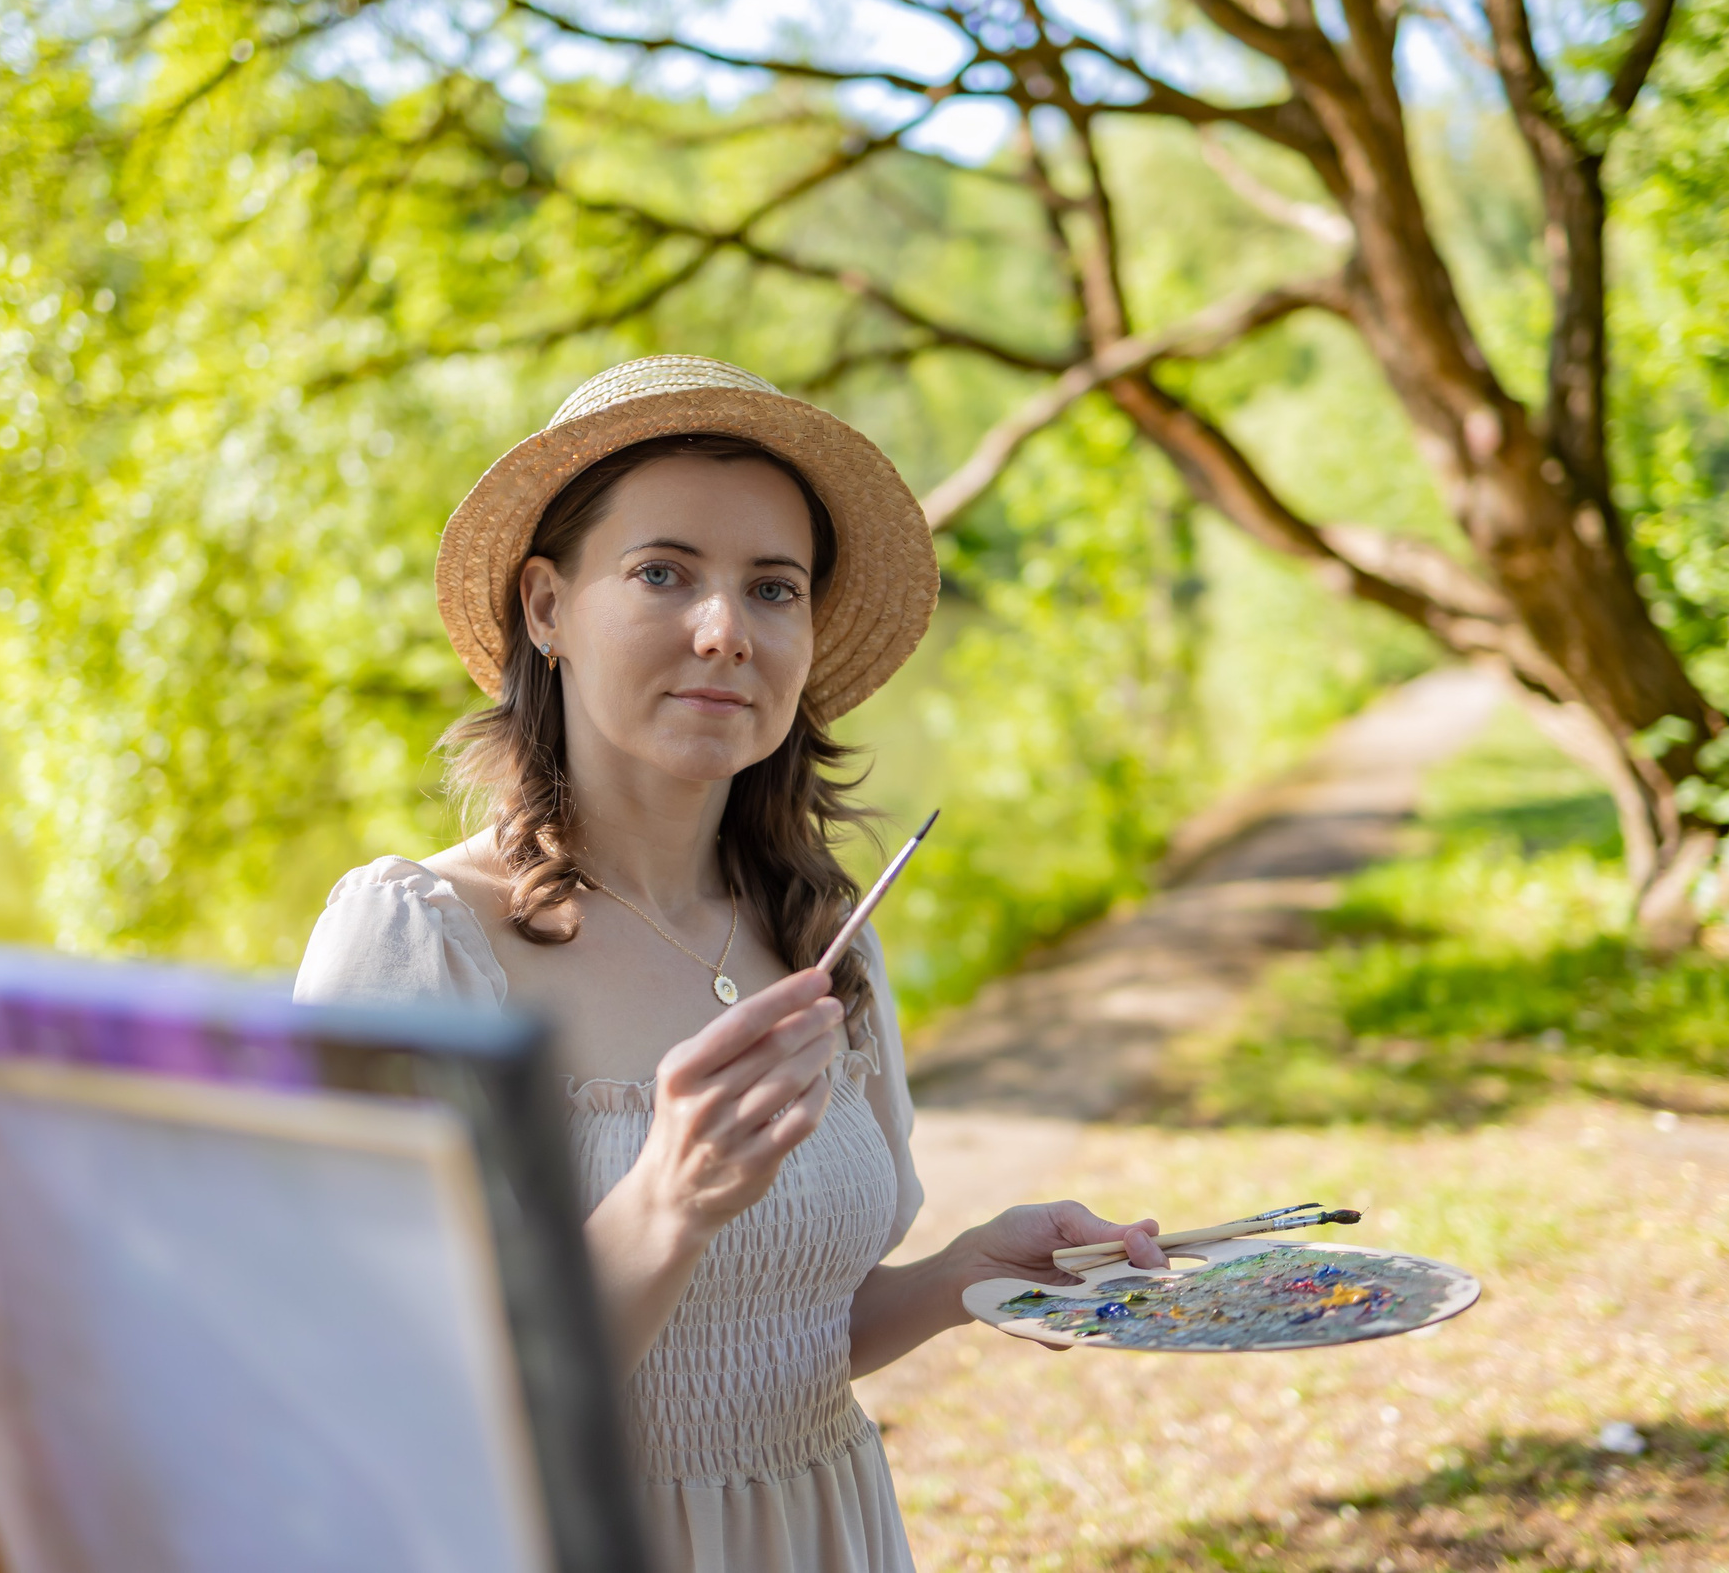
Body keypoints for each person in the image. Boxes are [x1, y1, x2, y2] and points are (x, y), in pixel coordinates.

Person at [295, 356, 1166, 1572]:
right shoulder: (418, 943)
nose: (725, 632)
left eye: (772, 588)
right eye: (663, 573)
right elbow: (391, 1403)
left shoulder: (821, 941)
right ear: (545, 607)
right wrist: (669, 1194)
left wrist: (972, 1271)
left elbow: (781, 1335)